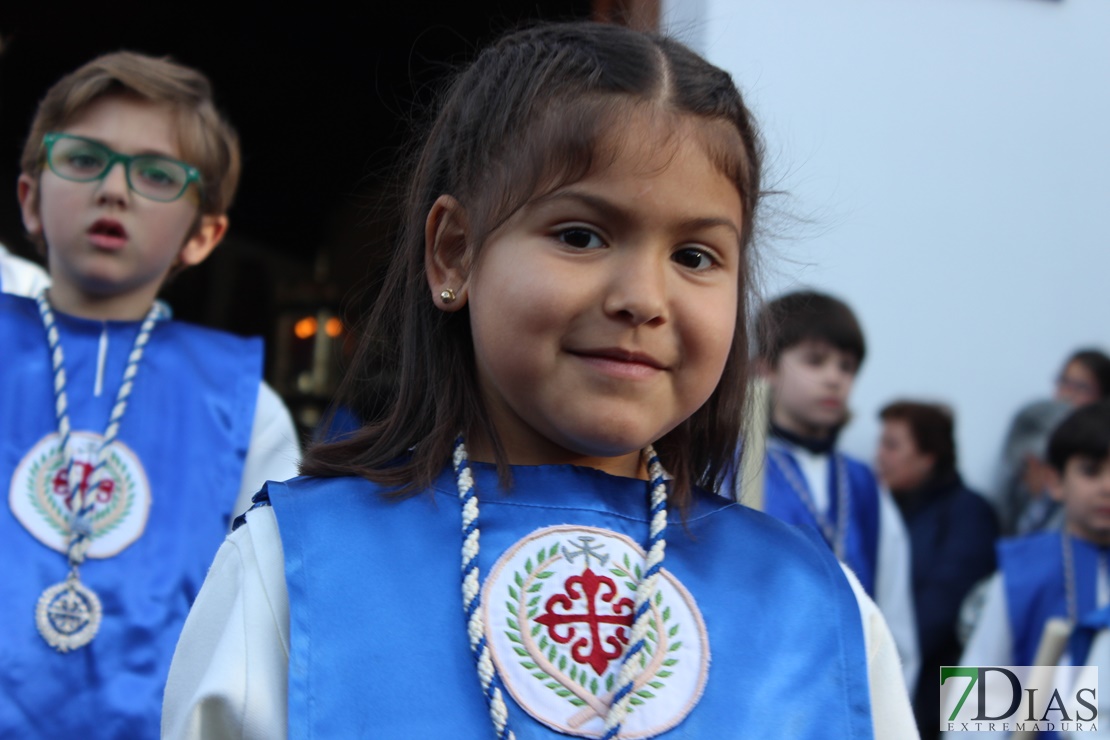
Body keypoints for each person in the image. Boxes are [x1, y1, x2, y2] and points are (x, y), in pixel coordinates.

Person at [162, 22, 918, 739]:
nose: (643, 300)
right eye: (580, 235)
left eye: (695, 256)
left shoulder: (819, 607)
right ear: (455, 253)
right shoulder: (296, 567)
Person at [0, 52, 301, 738]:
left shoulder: (246, 412)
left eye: (157, 175)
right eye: (83, 160)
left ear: (203, 235)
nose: (115, 190)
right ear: (30, 200)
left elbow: (256, 631)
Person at [754, 289, 920, 692]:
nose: (834, 377)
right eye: (815, 361)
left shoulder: (865, 484)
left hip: (850, 694)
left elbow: (894, 612)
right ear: (768, 369)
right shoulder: (730, 470)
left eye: (847, 367)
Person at [950, 400, 1110, 739]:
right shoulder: (1023, 572)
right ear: (1055, 481)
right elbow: (980, 687)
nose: (1107, 487)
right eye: (1091, 470)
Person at [876, 401, 999, 739]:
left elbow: (941, 608)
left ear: (929, 456)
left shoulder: (968, 513)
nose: (879, 456)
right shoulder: (891, 508)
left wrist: (881, 655)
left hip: (938, 691)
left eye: (892, 445)